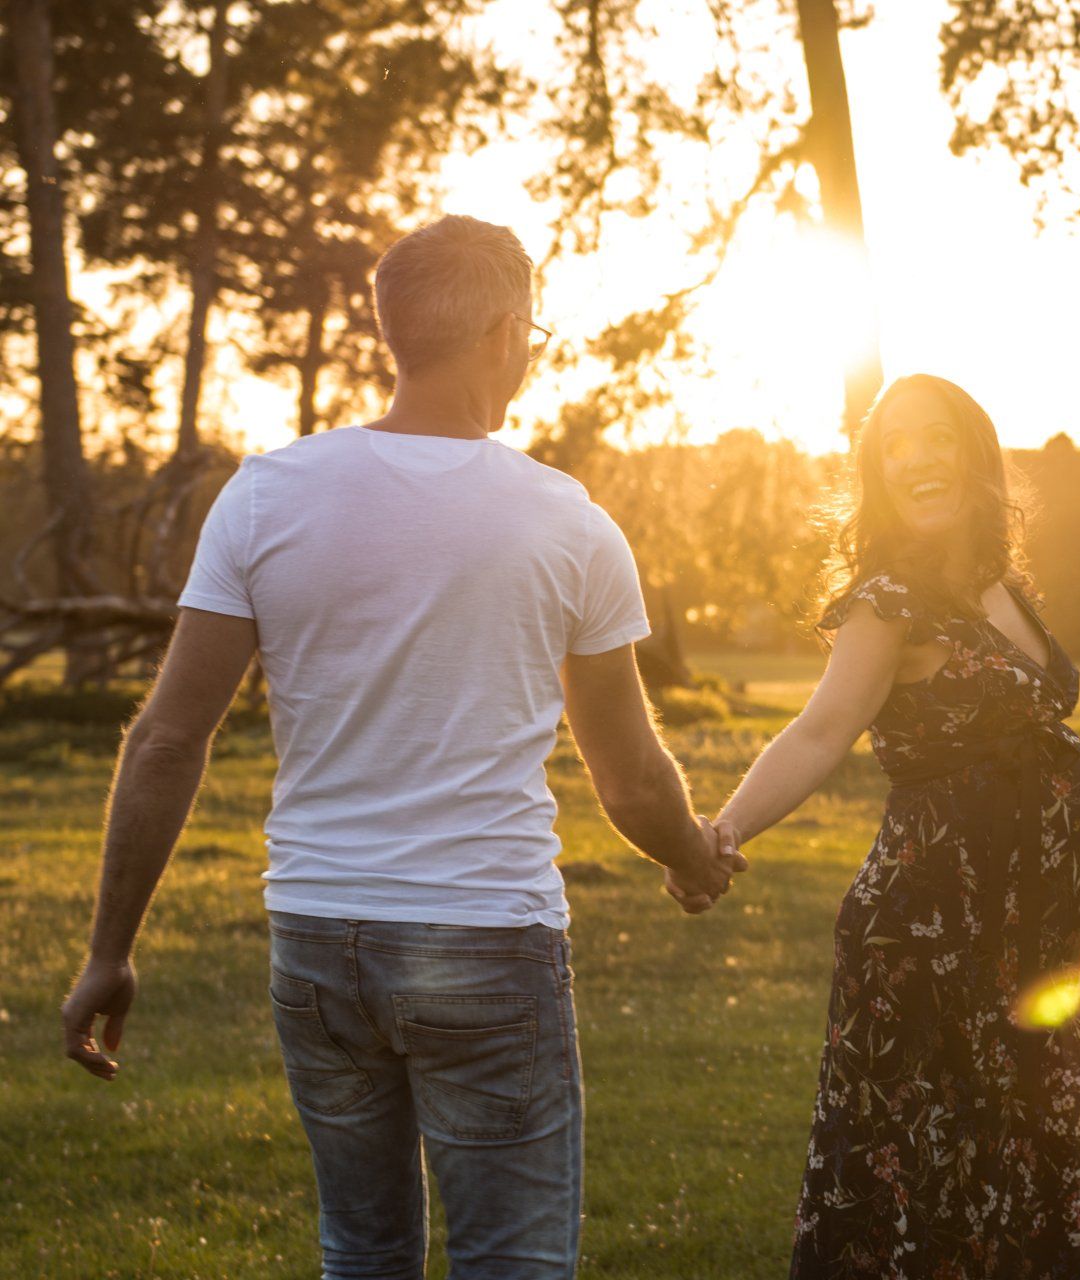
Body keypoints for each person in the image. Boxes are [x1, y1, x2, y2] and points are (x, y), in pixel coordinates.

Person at [58, 214, 744, 1279]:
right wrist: (694, 859)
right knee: (511, 1261)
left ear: (398, 333)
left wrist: (111, 948)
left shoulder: (267, 493)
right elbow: (632, 777)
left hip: (320, 939)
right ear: (509, 332)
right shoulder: (568, 523)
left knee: (363, 1251)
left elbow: (164, 738)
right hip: (486, 936)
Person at [713, 374, 1080, 1279]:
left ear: (973, 454)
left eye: (933, 437)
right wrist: (727, 829)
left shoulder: (1001, 587)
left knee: (1010, 1146)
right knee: (910, 1159)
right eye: (893, 446)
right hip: (929, 936)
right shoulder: (888, 599)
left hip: (1027, 943)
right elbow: (820, 730)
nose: (914, 459)